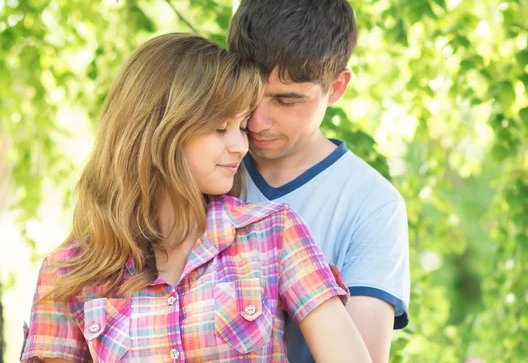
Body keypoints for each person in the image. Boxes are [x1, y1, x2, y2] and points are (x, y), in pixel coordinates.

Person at [20, 33, 372, 363]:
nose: (240, 145)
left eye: (241, 126)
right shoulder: (69, 271)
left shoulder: (273, 233)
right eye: (220, 129)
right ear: (159, 131)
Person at [228, 0, 410, 363]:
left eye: (287, 101)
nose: (258, 122)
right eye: (249, 94)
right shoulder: (204, 164)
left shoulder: (372, 204)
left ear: (337, 87)